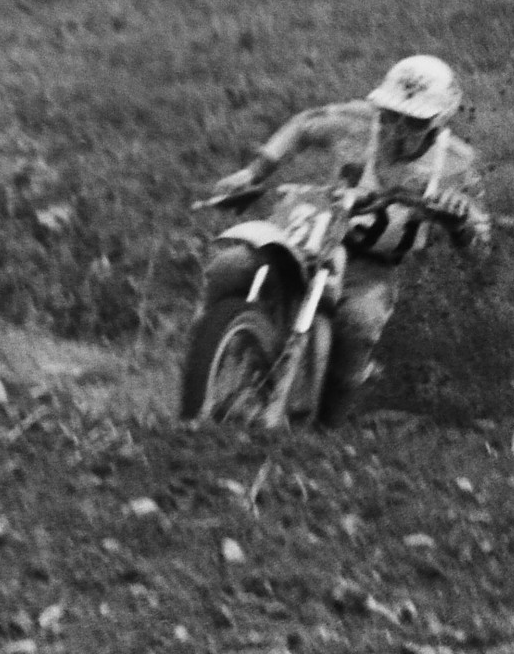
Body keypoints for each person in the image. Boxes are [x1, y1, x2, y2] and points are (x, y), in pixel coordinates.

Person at [206, 54, 492, 423]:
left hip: (372, 262)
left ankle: (329, 429)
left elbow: (479, 246)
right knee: (232, 266)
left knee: (359, 324)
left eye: (414, 122)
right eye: (390, 115)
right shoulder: (356, 121)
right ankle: (215, 352)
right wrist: (253, 172)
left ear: (439, 120)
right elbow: (304, 124)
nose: (396, 129)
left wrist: (458, 222)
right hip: (316, 233)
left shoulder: (457, 163)